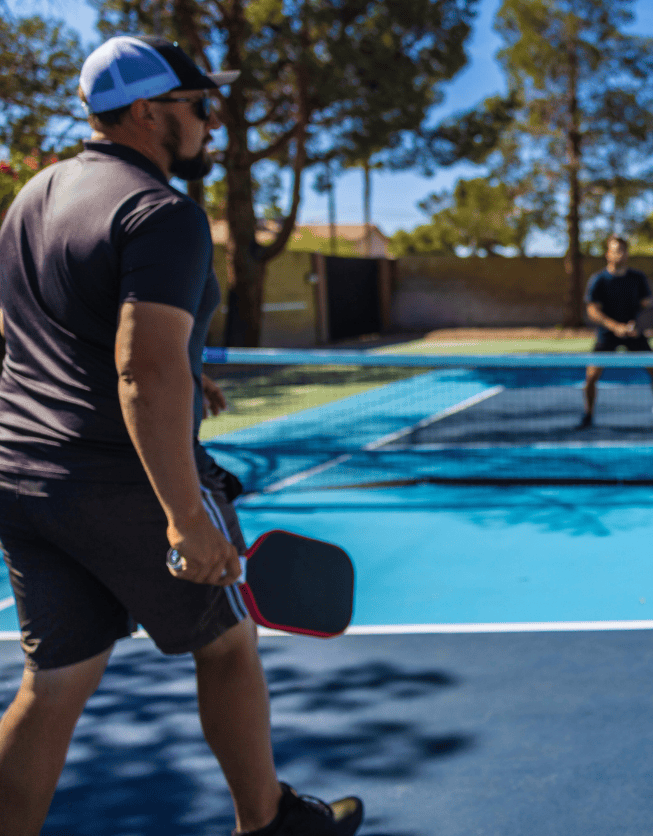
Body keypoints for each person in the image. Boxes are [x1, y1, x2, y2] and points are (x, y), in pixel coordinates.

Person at [0, 36, 362, 836]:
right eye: (198, 106)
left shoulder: (35, 196)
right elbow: (141, 370)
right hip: (122, 480)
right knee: (229, 644)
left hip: (25, 478)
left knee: (53, 683)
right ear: (146, 112)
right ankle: (267, 823)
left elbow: (35, 330)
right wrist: (185, 515)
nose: (209, 122)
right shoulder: (162, 211)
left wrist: (185, 370)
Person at [579, 234, 653, 428]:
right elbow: (592, 311)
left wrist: (637, 327)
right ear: (608, 254)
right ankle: (588, 414)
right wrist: (615, 327)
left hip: (635, 334)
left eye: (623, 250)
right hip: (607, 335)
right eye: (615, 250)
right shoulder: (599, 280)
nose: (620, 254)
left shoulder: (637, 278)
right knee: (590, 377)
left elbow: (648, 307)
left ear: (627, 253)